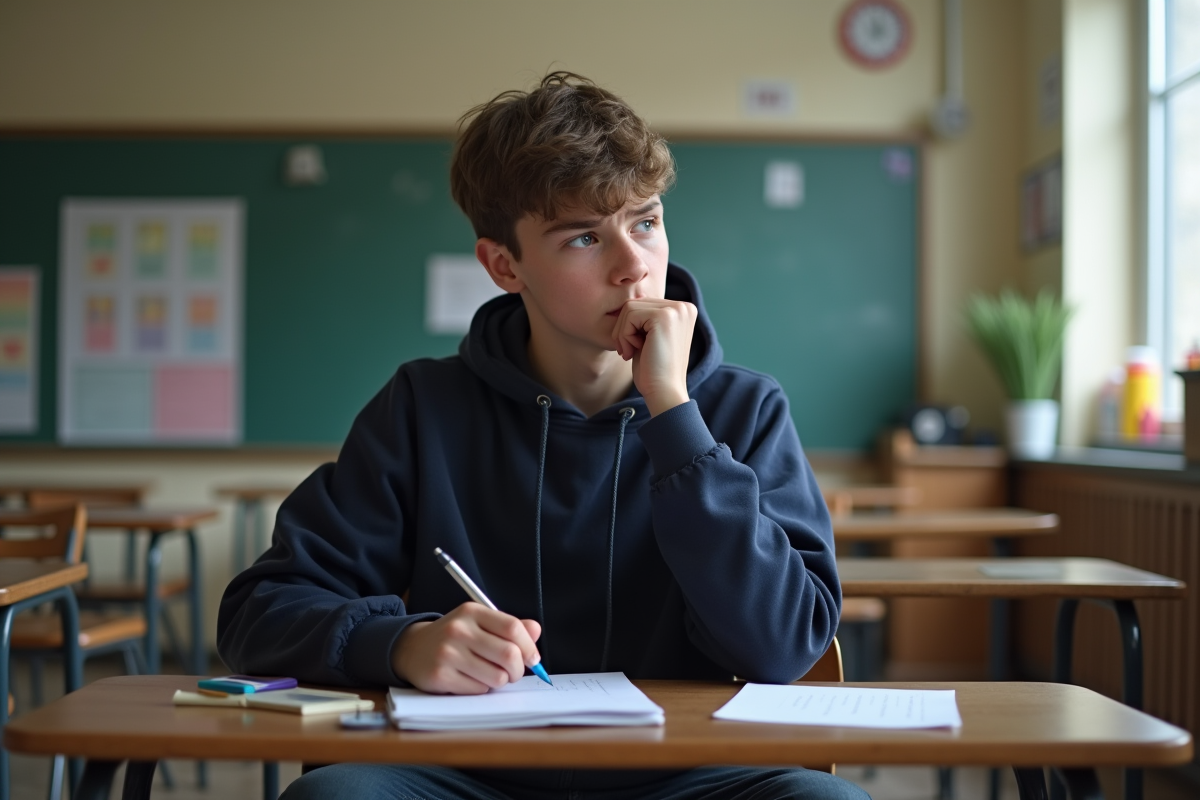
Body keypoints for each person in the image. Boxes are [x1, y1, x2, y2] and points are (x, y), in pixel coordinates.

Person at [217, 71, 866, 800]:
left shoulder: (745, 409)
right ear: (504, 266)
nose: (634, 266)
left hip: (684, 774)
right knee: (335, 797)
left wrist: (676, 418)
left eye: (645, 222)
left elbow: (783, 645)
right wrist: (401, 644)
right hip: (466, 775)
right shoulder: (422, 407)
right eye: (585, 237)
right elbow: (258, 612)